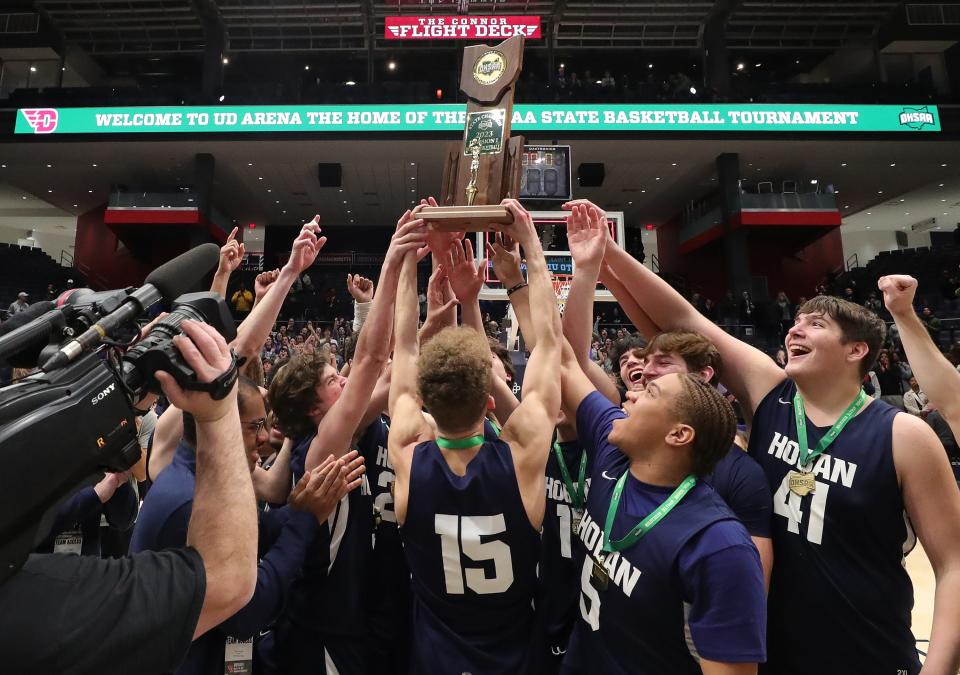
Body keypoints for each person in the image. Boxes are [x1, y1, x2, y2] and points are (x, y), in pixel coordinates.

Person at [590, 210, 960, 674]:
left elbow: (953, 565)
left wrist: (940, 670)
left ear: (856, 350)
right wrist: (609, 255)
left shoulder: (903, 433)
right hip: (773, 651)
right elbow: (684, 319)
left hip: (868, 652)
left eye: (816, 324)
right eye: (796, 321)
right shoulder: (772, 392)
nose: (794, 329)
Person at [0, 320, 259, 675]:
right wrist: (219, 412)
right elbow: (226, 580)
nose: (265, 436)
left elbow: (123, 507)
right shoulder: (181, 492)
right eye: (255, 426)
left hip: (101, 542)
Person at [387, 199, 562, 674]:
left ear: (424, 403)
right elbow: (549, 342)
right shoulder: (523, 452)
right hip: (514, 656)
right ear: (491, 402)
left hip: (435, 658)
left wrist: (405, 261)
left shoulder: (408, 449)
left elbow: (403, 347)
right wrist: (530, 244)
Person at [265, 210, 427, 674]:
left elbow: (396, 364)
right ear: (316, 410)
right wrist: (393, 259)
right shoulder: (320, 449)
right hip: (326, 628)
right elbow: (373, 356)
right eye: (335, 381)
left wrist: (423, 289)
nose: (346, 382)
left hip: (365, 615)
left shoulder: (349, 427)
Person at [132, 375, 363, 675]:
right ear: (218, 425)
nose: (266, 436)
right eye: (254, 426)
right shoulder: (188, 501)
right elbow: (246, 613)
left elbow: (257, 530)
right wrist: (304, 521)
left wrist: (301, 507)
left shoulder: (201, 478)